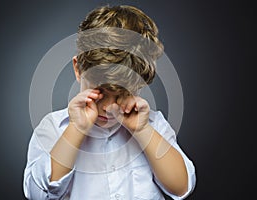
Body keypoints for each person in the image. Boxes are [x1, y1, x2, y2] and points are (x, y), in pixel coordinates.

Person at [23, 5, 196, 200]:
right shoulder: (54, 128)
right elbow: (38, 194)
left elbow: (181, 188)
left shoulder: (153, 126)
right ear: (78, 69)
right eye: (100, 92)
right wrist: (76, 129)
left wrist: (142, 131)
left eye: (122, 94)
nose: (107, 107)